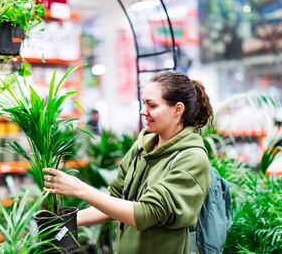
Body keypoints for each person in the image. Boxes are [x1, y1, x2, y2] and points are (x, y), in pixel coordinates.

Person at [43, 70, 213, 254]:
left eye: (152, 105)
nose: (143, 111)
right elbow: (114, 202)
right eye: (143, 103)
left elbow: (146, 213)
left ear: (178, 109)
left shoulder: (191, 159)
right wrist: (65, 222)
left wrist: (79, 189)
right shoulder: (142, 146)